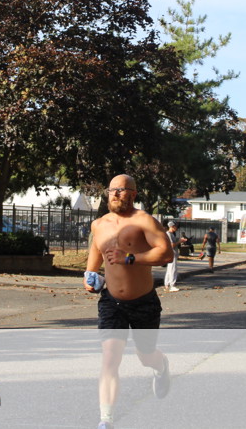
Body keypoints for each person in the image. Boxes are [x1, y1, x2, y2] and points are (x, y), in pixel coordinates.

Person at [84, 174, 174, 429]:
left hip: (143, 302)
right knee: (110, 358)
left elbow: (166, 253)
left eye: (121, 190)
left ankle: (161, 365)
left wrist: (130, 258)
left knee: (146, 356)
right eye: (111, 190)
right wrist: (90, 276)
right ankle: (106, 420)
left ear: (133, 194)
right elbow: (96, 252)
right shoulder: (98, 224)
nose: (115, 194)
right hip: (112, 303)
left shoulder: (144, 220)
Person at [163, 221, 187, 292]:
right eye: (176, 227)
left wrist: (179, 240)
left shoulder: (171, 234)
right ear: (172, 226)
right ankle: (172, 285)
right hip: (172, 254)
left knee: (169, 270)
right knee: (172, 270)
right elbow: (172, 245)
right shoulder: (168, 234)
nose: (176, 228)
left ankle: (167, 284)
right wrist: (179, 242)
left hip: (172, 254)